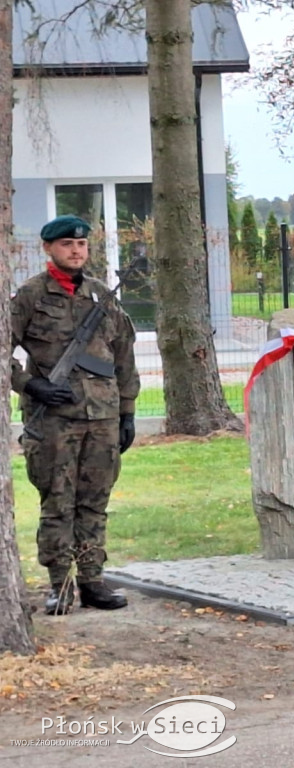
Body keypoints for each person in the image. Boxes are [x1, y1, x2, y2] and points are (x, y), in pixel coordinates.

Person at [12, 215, 141, 615]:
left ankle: (92, 580)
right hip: (54, 420)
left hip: (101, 418)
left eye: (82, 245)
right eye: (67, 244)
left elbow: (123, 354)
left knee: (94, 501)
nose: (76, 251)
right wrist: (30, 385)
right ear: (49, 248)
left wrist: (127, 411)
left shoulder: (102, 295)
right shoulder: (31, 296)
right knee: (58, 502)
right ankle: (60, 584)